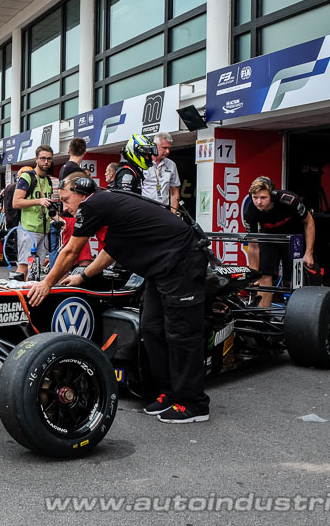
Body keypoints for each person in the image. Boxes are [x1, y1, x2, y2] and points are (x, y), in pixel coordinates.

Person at [29, 172, 210, 423]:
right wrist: (82, 277)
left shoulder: (93, 204)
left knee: (181, 334)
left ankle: (193, 403)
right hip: (160, 270)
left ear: (81, 191)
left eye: (67, 199)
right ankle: (170, 392)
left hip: (182, 261)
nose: (66, 207)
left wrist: (46, 283)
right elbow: (110, 252)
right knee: (152, 328)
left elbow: (71, 250)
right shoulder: (105, 204)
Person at [243, 177, 316, 307]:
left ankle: (299, 312)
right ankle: (263, 314)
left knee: (294, 277)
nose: (258, 202)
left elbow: (309, 221)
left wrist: (309, 252)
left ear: (272, 195)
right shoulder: (250, 211)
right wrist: (254, 274)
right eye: (255, 197)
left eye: (263, 197)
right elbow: (253, 245)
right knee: (264, 275)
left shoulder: (289, 200)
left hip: (294, 235)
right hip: (269, 236)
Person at [12, 145, 55, 277]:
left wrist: (58, 218)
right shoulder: (27, 177)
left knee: (36, 269)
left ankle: (30, 295)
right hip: (28, 229)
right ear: (36, 159)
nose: (46, 162)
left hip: (44, 229)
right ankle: (18, 295)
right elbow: (16, 202)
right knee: (24, 266)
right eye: (43, 158)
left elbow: (47, 205)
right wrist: (38, 201)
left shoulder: (48, 181)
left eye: (49, 159)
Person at [142, 132, 181, 209]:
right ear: (155, 146)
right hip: (144, 210)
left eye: (169, 148)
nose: (167, 151)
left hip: (163, 210)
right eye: (164, 148)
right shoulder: (143, 162)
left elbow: (174, 192)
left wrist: (173, 213)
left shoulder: (171, 165)